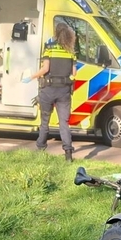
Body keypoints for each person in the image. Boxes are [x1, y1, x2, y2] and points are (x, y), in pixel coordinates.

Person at [24, 20, 78, 162]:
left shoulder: (49, 48)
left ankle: (41, 148)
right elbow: (74, 73)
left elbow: (45, 69)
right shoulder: (71, 51)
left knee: (45, 122)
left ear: (56, 33)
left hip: (48, 90)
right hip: (64, 92)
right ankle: (68, 154)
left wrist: (31, 77)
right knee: (64, 123)